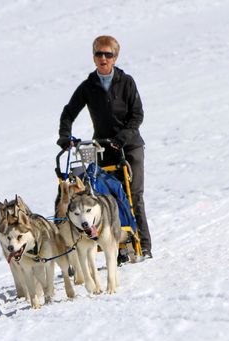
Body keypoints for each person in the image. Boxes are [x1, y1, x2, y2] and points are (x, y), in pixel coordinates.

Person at [57, 35, 152, 259]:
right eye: (99, 54)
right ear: (93, 57)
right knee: (106, 196)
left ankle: (144, 244)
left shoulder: (126, 82)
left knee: (133, 195)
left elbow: (137, 115)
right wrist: (65, 136)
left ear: (115, 57)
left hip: (129, 146)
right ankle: (116, 245)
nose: (103, 58)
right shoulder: (88, 86)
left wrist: (122, 137)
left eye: (108, 54)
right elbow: (69, 112)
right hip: (103, 147)